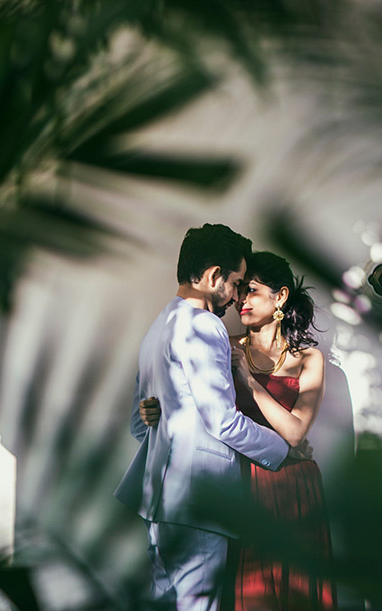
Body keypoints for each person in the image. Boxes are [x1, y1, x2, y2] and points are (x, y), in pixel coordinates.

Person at [142, 251, 337, 611]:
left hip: (293, 486)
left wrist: (248, 380)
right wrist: (155, 410)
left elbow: (295, 432)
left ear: (280, 297)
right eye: (240, 289)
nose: (240, 299)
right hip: (237, 482)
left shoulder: (308, 358)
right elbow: (197, 406)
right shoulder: (222, 343)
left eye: (253, 290)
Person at [114, 224, 292, 611]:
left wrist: (166, 416)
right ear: (213, 276)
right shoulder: (204, 325)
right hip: (198, 499)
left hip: (158, 500)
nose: (237, 297)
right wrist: (283, 449)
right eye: (236, 283)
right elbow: (223, 421)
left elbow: (138, 423)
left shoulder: (158, 327)